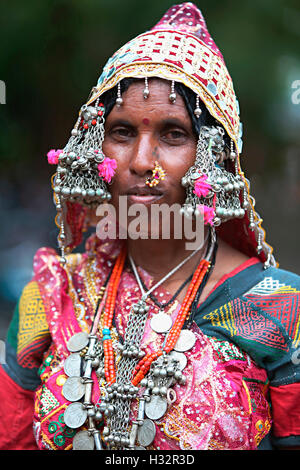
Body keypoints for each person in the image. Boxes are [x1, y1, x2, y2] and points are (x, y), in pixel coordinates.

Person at [0, 3, 299, 451]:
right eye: (122, 132)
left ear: (213, 157)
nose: (141, 162)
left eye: (173, 135)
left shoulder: (281, 309)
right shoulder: (50, 295)